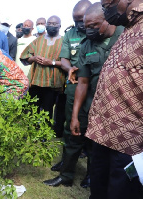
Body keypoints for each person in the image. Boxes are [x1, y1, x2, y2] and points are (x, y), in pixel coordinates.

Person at [84, 0, 143, 198]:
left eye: (108, 4)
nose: (106, 10)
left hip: (130, 141)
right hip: (103, 132)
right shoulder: (128, 30)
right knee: (98, 190)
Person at [44, 0, 92, 188]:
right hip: (74, 85)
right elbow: (64, 58)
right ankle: (67, 170)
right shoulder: (70, 34)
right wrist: (70, 67)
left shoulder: (99, 31)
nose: (80, 24)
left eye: (83, 20)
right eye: (76, 20)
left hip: (95, 88)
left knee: (94, 134)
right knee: (71, 128)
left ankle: (91, 174)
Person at [20, 16, 64, 120]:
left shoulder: (64, 41)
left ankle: (44, 134)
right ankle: (32, 131)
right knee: (32, 109)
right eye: (49, 23)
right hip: (36, 81)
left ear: (60, 26)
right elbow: (24, 56)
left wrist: (51, 62)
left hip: (52, 83)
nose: (51, 26)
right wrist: (34, 58)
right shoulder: (38, 40)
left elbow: (67, 63)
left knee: (47, 110)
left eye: (54, 24)